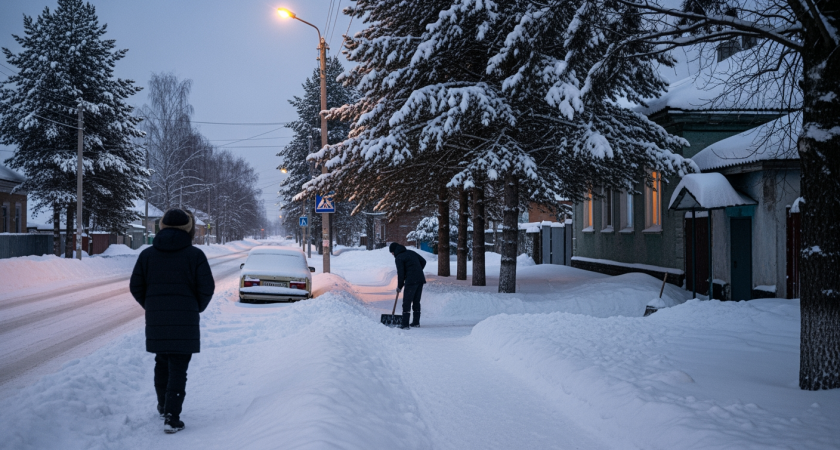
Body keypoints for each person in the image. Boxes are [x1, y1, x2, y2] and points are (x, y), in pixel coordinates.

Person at [129, 208, 215, 434]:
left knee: (161, 362)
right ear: (189, 228)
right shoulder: (195, 255)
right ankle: (172, 416)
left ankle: (162, 406)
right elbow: (207, 288)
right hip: (185, 320)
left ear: (162, 227)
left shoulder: (147, 255)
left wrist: (152, 306)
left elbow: (136, 286)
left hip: (157, 319)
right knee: (178, 367)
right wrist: (195, 307)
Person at [389, 242, 427, 329]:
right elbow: (423, 261)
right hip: (420, 279)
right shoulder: (411, 252)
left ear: (394, 251)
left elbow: (401, 274)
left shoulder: (399, 258)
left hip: (411, 280)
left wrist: (399, 286)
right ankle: (416, 322)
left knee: (407, 302)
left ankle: (405, 324)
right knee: (416, 301)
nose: (392, 254)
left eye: (392, 252)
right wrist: (417, 270)